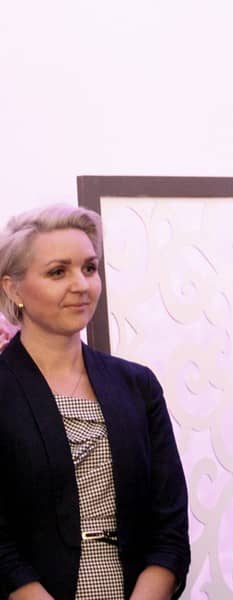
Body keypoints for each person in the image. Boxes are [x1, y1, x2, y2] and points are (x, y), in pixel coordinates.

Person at [0, 204, 190, 599]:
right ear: (13, 289)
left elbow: (169, 528)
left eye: (89, 268)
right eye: (58, 272)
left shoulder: (137, 386)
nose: (81, 285)